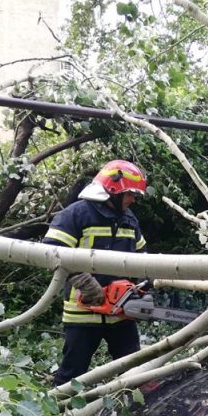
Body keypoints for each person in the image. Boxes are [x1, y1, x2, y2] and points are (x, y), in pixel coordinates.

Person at [43, 160, 148, 386]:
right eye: (129, 194)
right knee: (71, 376)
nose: (133, 200)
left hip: (121, 311)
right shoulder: (75, 215)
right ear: (113, 189)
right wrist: (87, 284)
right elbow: (52, 252)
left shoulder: (129, 220)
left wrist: (144, 286)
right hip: (82, 312)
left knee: (135, 372)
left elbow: (143, 259)